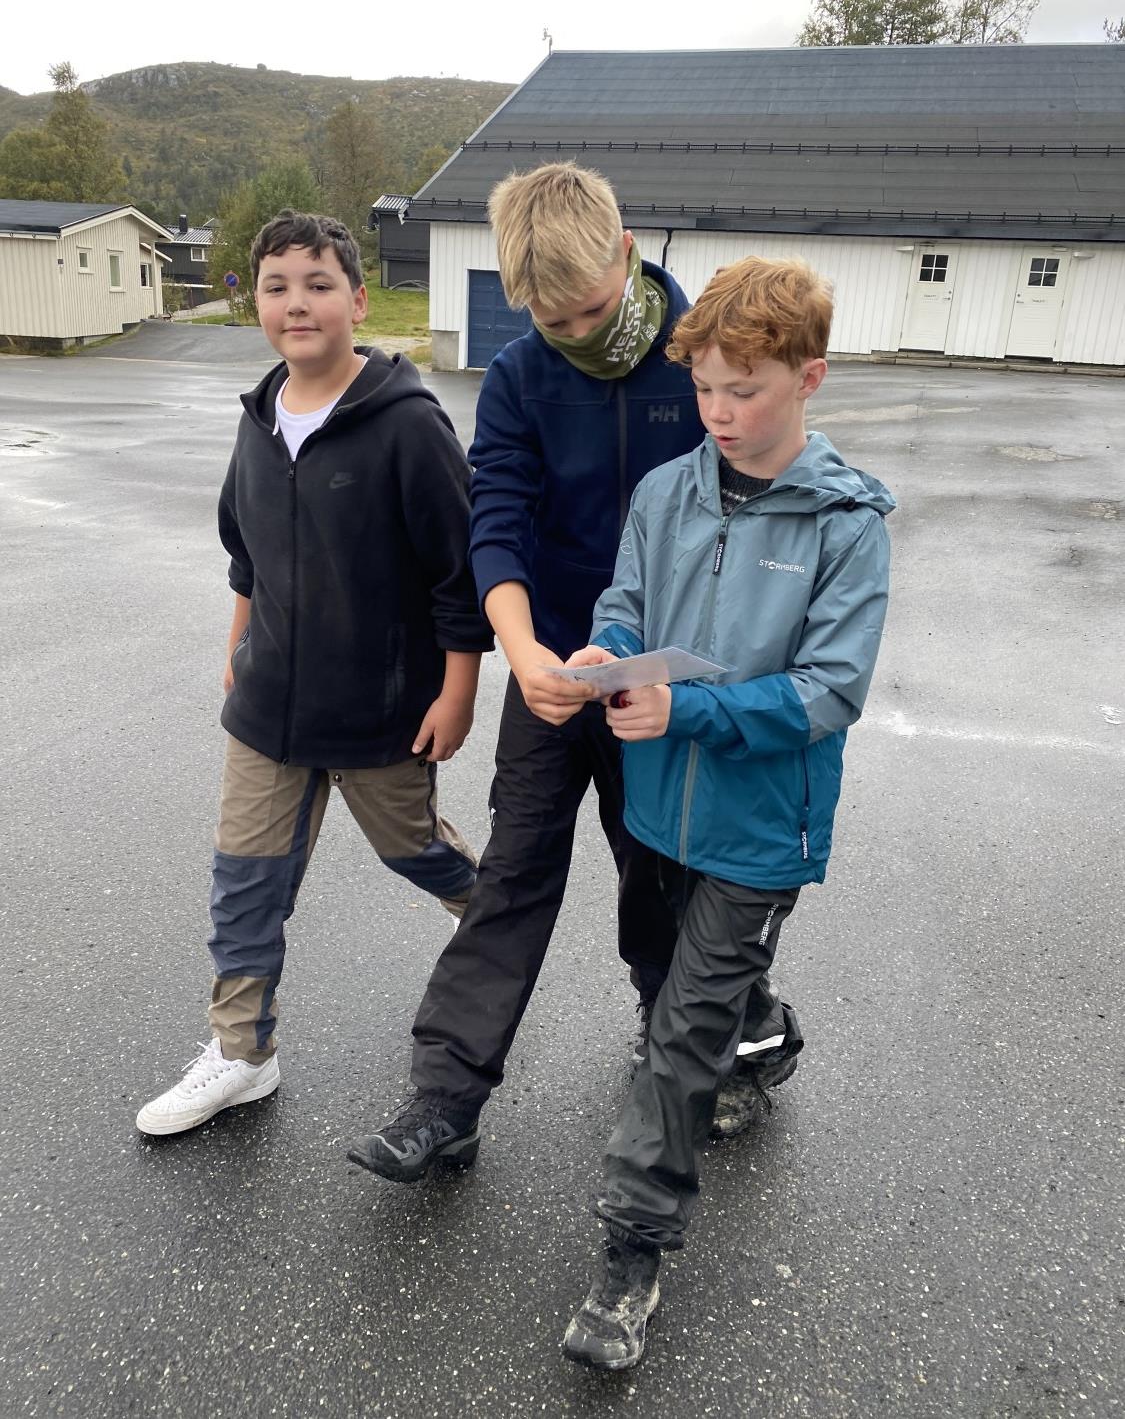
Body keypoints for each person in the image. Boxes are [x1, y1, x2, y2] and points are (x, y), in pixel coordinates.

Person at [559, 255, 895, 1369]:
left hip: (760, 830)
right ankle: (768, 1035)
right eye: (704, 387)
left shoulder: (848, 522)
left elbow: (829, 691)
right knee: (687, 976)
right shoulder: (666, 492)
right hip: (657, 810)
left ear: (810, 378)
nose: (718, 411)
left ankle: (630, 1256)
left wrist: (689, 709)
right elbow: (626, 601)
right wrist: (607, 650)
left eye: (743, 389)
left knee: (676, 1034)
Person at [347, 163, 708, 1183]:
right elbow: (496, 519)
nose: (578, 336)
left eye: (592, 310)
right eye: (552, 321)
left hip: (662, 682)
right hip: (550, 669)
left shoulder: (702, 357)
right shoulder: (517, 376)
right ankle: (445, 1099)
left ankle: (694, 1041)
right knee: (512, 875)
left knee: (662, 872)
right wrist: (523, 652)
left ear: (626, 254)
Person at [136, 210, 491, 1137]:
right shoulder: (258, 419)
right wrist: (238, 649)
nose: (297, 304)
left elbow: (459, 573)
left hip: (381, 712)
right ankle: (242, 1052)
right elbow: (246, 553)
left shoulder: (408, 425)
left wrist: (456, 691)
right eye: (277, 287)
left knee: (415, 852)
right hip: (268, 707)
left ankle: (497, 924)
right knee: (245, 878)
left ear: (358, 301)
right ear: (255, 303)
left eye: (318, 285)